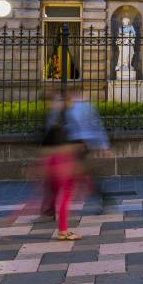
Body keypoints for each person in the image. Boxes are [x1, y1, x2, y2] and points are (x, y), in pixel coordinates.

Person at [41, 96, 82, 240]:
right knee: (65, 195)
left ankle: (57, 221)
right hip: (62, 161)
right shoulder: (63, 118)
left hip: (56, 160)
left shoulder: (59, 117)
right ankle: (62, 230)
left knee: (60, 193)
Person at [66, 89, 112, 212]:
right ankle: (101, 197)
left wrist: (103, 144)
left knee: (81, 174)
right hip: (82, 143)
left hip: (80, 144)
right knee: (83, 174)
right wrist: (103, 144)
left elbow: (92, 125)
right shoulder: (85, 106)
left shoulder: (75, 108)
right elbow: (97, 125)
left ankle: (101, 197)